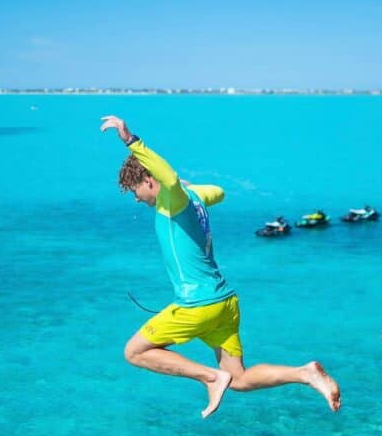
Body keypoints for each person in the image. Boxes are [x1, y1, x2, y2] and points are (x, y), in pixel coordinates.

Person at [101, 115, 341, 419]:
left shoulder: (170, 200)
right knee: (238, 380)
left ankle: (210, 378)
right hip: (225, 303)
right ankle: (306, 373)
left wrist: (130, 140)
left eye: (135, 190)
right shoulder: (192, 197)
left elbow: (170, 180)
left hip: (197, 305)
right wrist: (189, 188)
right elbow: (219, 191)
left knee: (134, 352)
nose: (136, 199)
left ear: (149, 179)